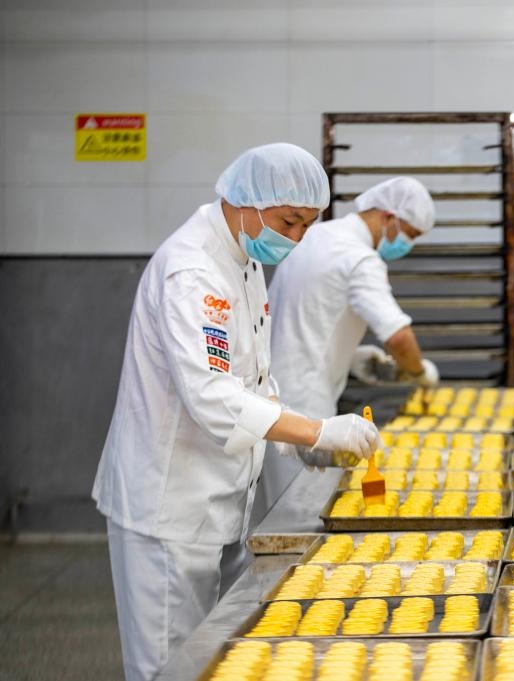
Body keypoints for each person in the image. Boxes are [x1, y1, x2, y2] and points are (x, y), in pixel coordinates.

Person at [91, 143, 380, 681]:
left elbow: (254, 379)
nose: (294, 239)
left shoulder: (242, 261)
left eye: (306, 227)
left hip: (215, 497)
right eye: (289, 221)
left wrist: (296, 438)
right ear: (246, 201)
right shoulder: (193, 271)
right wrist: (315, 427)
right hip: (169, 506)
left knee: (203, 659)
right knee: (167, 665)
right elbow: (211, 396)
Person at [256, 176, 439, 515]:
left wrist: (349, 358)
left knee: (284, 506)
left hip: (273, 393)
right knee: (304, 513)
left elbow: (304, 318)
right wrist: (420, 373)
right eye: (409, 235)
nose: (407, 245)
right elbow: (398, 336)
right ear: (389, 218)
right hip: (306, 402)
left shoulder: (317, 237)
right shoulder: (359, 258)